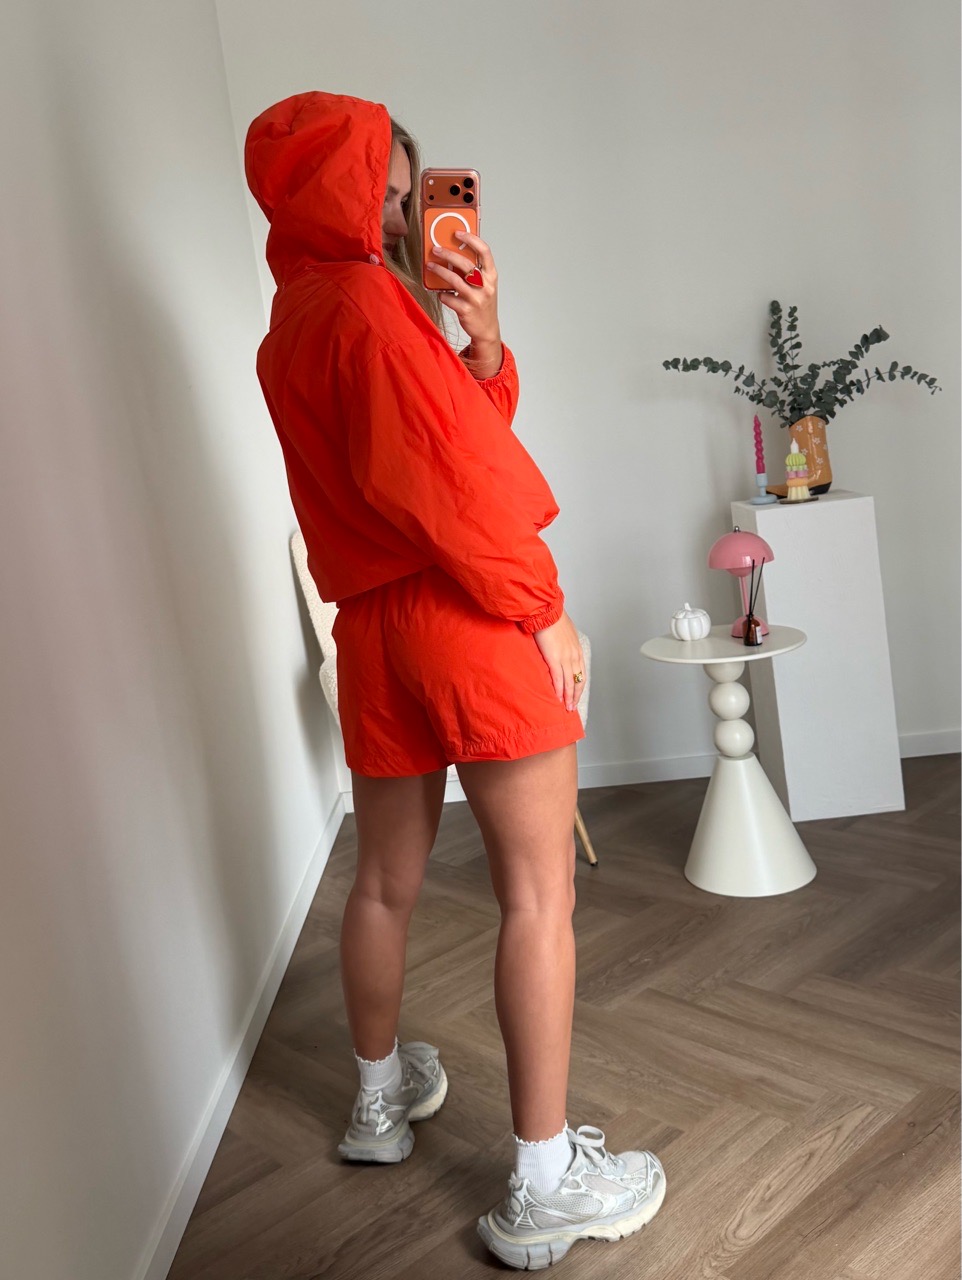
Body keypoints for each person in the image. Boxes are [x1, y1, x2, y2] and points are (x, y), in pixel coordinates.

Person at [244, 90, 665, 1270]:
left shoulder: (293, 318)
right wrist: (544, 609)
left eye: (403, 193)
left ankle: (377, 1102)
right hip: (463, 613)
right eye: (381, 191)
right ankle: (542, 1180)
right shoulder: (371, 306)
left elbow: (428, 450)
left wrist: (479, 343)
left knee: (381, 881)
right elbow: (453, 491)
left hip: (374, 632)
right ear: (338, 193)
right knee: (537, 895)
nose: (398, 214)